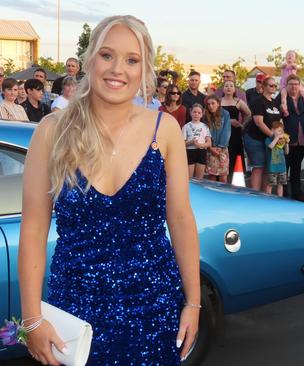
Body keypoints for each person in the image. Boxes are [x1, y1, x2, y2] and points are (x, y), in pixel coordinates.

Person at [18, 15, 200, 365]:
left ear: (145, 69)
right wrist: (32, 319)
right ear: (89, 60)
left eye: (132, 60)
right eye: (107, 55)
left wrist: (193, 302)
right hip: (76, 311)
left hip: (154, 306)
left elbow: (179, 218)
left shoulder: (165, 130)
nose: (118, 69)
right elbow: (34, 228)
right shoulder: (51, 131)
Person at [276, 74, 304, 201]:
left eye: (296, 84)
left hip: (302, 136)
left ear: (300, 85)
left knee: (297, 167)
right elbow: (275, 116)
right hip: (286, 137)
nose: (294, 87)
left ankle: (297, 192)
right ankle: (284, 192)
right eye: (291, 84)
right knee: (284, 166)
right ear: (286, 85)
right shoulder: (281, 97)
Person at [245, 76, 281, 191]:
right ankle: (255, 195)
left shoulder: (275, 102)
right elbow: (259, 122)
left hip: (268, 139)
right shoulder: (258, 101)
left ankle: (266, 195)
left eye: (275, 85)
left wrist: (281, 134)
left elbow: (279, 121)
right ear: (264, 87)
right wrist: (273, 135)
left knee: (267, 167)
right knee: (258, 167)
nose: (273, 87)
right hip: (255, 138)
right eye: (271, 85)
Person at [203, 95, 231, 183]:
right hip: (210, 148)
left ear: (218, 103)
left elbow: (227, 130)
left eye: (213, 103)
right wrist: (210, 147)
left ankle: (223, 195)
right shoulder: (205, 116)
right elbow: (204, 133)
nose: (210, 106)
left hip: (222, 148)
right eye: (208, 104)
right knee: (212, 175)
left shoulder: (225, 114)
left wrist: (221, 146)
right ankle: (212, 195)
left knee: (223, 175)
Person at [278, 50, 304, 117]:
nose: (290, 56)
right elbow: (281, 66)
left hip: (295, 81)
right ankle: (285, 109)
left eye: (292, 56)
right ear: (285, 57)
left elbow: (296, 67)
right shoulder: (284, 65)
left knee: (303, 93)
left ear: (295, 59)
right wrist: (286, 64)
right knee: (283, 95)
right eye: (288, 55)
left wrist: (292, 64)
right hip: (284, 83)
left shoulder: (294, 65)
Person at [182, 104, 211, 179]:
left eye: (199, 113)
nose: (196, 114)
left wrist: (200, 145)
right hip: (190, 152)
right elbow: (182, 143)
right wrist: (191, 142)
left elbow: (209, 143)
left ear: (202, 114)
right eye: (194, 112)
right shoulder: (186, 126)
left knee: (199, 178)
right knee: (189, 178)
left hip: (201, 152)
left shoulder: (205, 127)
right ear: (190, 112)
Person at [265, 120, 289, 197]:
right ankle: (268, 199)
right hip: (272, 168)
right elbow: (271, 146)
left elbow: (286, 152)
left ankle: (280, 198)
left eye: (282, 131)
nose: (281, 133)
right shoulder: (268, 140)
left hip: (282, 168)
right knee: (270, 185)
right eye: (278, 131)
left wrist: (287, 144)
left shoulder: (281, 142)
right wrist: (277, 137)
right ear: (272, 130)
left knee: (280, 185)